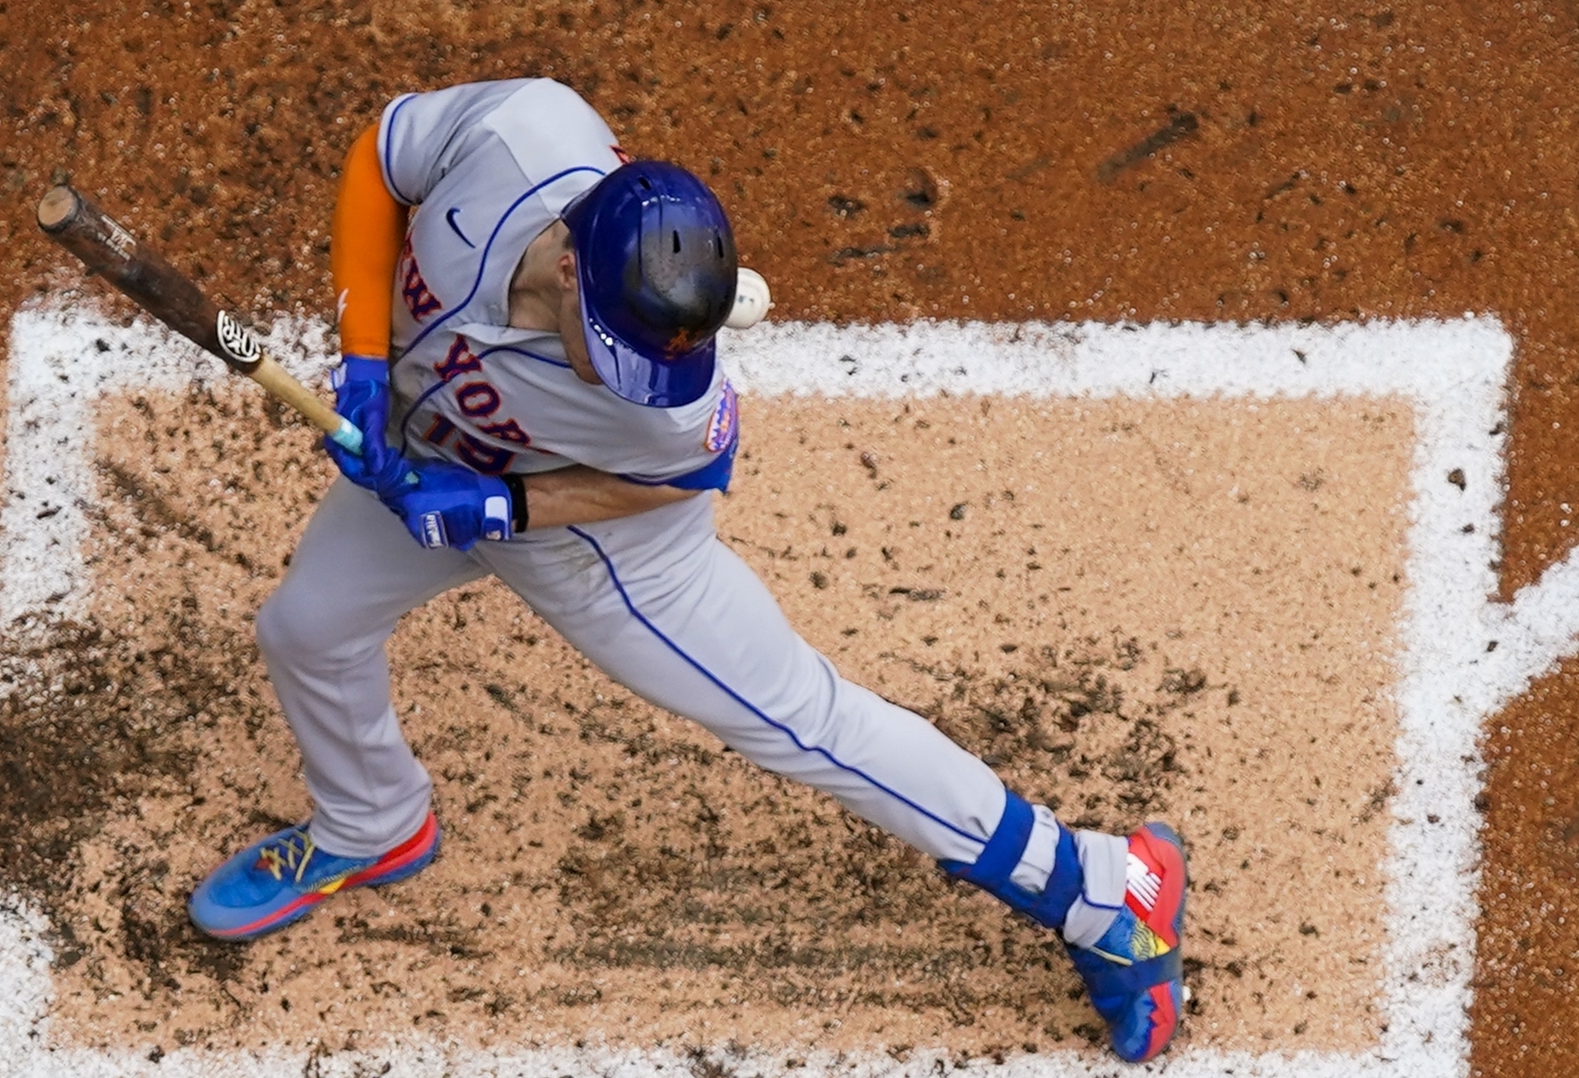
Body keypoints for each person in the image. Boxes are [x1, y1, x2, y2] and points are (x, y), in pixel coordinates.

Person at [184, 78, 1188, 1064]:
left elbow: (683, 475)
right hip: (417, 459)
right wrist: (364, 354)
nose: (618, 369)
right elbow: (382, 156)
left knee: (802, 718)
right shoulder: (523, 130)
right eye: (607, 343)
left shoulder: (661, 405)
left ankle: (1105, 890)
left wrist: (506, 507)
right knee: (307, 627)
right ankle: (375, 822)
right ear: (573, 262)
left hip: (599, 534)